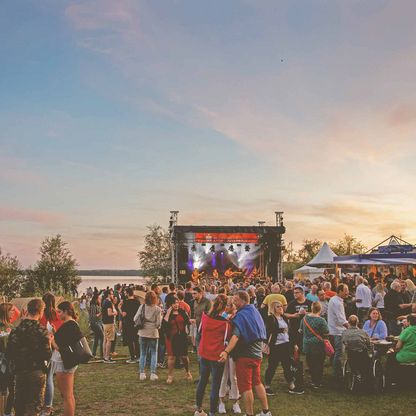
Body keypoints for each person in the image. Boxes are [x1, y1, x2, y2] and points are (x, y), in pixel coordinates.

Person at [219, 291, 271, 416]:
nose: (233, 303)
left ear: (243, 300)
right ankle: (266, 411)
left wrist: (226, 351)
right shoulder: (254, 311)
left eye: (236, 300)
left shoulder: (241, 316)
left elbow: (236, 336)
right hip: (257, 354)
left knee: (246, 387)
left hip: (245, 356)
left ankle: (249, 413)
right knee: (257, 382)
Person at [6, 299, 52, 416]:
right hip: (36, 372)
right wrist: (50, 343)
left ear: (26, 310)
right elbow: (47, 354)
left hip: (20, 372)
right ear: (41, 312)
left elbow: (9, 353)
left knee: (20, 406)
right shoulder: (42, 331)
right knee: (34, 406)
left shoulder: (16, 330)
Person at [195, 294, 230, 416]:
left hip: (204, 353)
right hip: (217, 356)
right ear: (225, 307)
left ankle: (198, 409)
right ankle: (212, 412)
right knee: (215, 384)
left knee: (203, 381)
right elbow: (227, 339)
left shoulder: (205, 317)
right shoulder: (225, 323)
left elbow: (199, 333)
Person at [51, 301, 83, 416]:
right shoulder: (72, 324)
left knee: (66, 395)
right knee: (68, 395)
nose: (58, 314)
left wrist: (51, 340)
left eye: (59, 312)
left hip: (64, 363)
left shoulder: (69, 325)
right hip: (66, 362)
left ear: (65, 311)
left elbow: (61, 347)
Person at [40, 293, 64, 416]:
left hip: (41, 348)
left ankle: (43, 405)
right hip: (53, 349)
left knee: (42, 377)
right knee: (49, 377)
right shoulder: (57, 315)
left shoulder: (41, 314)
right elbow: (60, 331)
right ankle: (48, 406)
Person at [264, 301, 294, 395]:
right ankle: (267, 385)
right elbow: (269, 330)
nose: (280, 308)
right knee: (272, 366)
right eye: (278, 306)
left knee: (287, 365)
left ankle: (290, 382)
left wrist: (293, 343)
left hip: (286, 344)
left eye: (281, 306)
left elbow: (289, 330)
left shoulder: (283, 317)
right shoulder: (270, 318)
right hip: (276, 345)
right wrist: (281, 330)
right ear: (273, 308)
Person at [218, 297, 241, 415]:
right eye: (227, 305)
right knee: (223, 376)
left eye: (231, 305)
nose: (229, 307)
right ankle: (221, 401)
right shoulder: (221, 317)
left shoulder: (238, 317)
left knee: (234, 377)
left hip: (234, 349)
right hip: (222, 348)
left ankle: (235, 402)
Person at [163, 296, 192, 384]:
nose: (176, 305)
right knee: (171, 357)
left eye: (177, 303)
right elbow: (164, 324)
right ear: (170, 304)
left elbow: (188, 321)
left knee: (184, 357)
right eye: (174, 303)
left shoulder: (182, 312)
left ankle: (188, 372)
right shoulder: (167, 314)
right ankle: (170, 375)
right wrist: (168, 312)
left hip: (182, 337)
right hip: (171, 337)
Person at [300, 302, 329, 388]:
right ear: (320, 309)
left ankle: (313, 379)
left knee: (310, 362)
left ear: (311, 308)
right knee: (319, 363)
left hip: (307, 343)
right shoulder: (321, 320)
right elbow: (326, 332)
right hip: (318, 344)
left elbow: (300, 330)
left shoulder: (304, 318)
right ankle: (317, 381)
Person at [136, 291, 162, 381]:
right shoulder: (158, 309)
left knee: (143, 353)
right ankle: (152, 373)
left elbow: (135, 318)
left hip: (142, 332)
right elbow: (159, 324)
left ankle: (142, 373)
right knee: (154, 353)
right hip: (153, 333)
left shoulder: (142, 307)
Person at [386, 314, 416, 384]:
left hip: (406, 356)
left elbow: (398, 347)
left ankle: (393, 380)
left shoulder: (406, 331)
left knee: (390, 357)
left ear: (409, 322)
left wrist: (394, 350)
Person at [327, 284, 349, 381]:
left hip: (333, 330)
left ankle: (335, 371)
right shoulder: (337, 302)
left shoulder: (334, 299)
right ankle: (336, 374)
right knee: (339, 353)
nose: (347, 292)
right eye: (346, 290)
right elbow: (341, 320)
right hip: (337, 331)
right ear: (339, 291)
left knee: (335, 352)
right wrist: (353, 328)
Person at [342, 315, 372, 383]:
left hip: (351, 355)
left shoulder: (344, 333)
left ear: (348, 322)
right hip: (363, 355)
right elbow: (368, 344)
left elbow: (344, 342)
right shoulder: (363, 333)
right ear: (357, 322)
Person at [284, 286, 312, 351]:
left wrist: (306, 313)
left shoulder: (309, 303)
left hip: (307, 328)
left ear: (302, 293)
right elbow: (285, 314)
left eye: (297, 293)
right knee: (295, 348)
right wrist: (293, 315)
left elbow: (315, 313)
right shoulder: (292, 303)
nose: (295, 294)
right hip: (295, 328)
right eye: (294, 293)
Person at [0, 303, 14, 416]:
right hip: (6, 363)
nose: (13, 313)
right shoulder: (9, 328)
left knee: (7, 389)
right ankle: (6, 413)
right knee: (8, 390)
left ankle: (6, 412)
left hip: (8, 362)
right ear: (6, 312)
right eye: (11, 310)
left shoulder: (12, 326)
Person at [121, 288, 140, 364]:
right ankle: (138, 356)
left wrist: (119, 308)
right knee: (136, 340)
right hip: (136, 323)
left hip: (128, 323)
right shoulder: (137, 302)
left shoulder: (125, 303)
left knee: (130, 341)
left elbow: (124, 314)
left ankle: (132, 357)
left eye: (126, 293)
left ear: (128, 294)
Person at [101, 290, 117, 363]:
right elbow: (109, 313)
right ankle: (107, 357)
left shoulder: (104, 301)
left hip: (104, 323)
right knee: (109, 340)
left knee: (105, 340)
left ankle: (105, 356)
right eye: (111, 294)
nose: (112, 295)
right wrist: (115, 313)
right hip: (109, 323)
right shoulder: (108, 302)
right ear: (108, 295)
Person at [88, 293, 104, 359]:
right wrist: (100, 313)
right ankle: (102, 354)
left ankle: (93, 354)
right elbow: (93, 316)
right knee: (102, 337)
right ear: (96, 299)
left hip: (96, 323)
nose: (100, 300)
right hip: (95, 323)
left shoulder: (96, 305)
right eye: (99, 298)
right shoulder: (93, 306)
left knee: (96, 338)